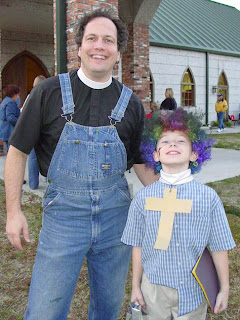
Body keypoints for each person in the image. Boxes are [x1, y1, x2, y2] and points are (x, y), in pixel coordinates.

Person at [5, 8, 158, 320]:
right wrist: (13, 211)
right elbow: (17, 151)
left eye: (108, 40)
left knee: (108, 308)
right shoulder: (47, 92)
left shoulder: (131, 103)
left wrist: (174, 195)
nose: (99, 46)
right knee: (45, 311)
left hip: (117, 219)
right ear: (79, 46)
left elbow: (141, 162)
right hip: (63, 219)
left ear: (118, 51)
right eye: (92, 38)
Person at [121, 108, 235, 320]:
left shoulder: (208, 198)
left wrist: (224, 288)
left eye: (181, 141)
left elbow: (220, 246)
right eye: (164, 141)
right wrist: (135, 286)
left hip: (191, 291)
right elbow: (137, 245)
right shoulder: (143, 199)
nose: (172, 144)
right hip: (152, 290)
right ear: (154, 154)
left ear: (195, 153)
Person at [22, 75, 47, 189]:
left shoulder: (29, 97)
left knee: (32, 157)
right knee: (48, 154)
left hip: (31, 129)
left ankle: (33, 184)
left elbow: (23, 112)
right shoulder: (47, 95)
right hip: (43, 130)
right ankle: (48, 180)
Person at [0, 84, 20, 152]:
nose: (18, 97)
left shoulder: (5, 101)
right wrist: (20, 122)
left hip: (5, 131)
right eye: (17, 95)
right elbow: (10, 118)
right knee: (12, 152)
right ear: (13, 94)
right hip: (10, 131)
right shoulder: (10, 103)